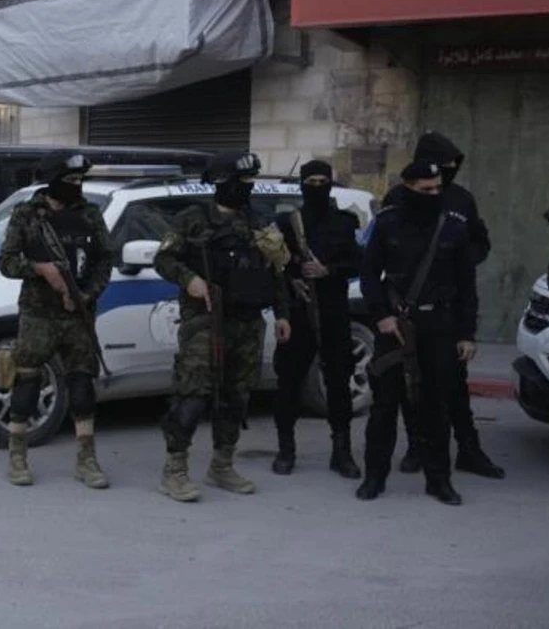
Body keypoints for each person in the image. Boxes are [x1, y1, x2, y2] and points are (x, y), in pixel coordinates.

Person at [153, 151, 292, 502]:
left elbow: (276, 271)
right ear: (222, 183)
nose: (247, 187)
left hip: (248, 323)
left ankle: (222, 465)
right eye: (242, 181)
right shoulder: (193, 220)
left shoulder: (259, 222)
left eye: (250, 181)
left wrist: (282, 314)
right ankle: (174, 470)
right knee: (193, 396)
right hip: (205, 322)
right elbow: (163, 258)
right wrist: (189, 279)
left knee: (237, 398)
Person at [381, 131, 502, 479]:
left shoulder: (461, 199)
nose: (446, 172)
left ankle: (468, 448)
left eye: (452, 166)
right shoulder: (397, 198)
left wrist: (458, 261)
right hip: (409, 306)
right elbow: (381, 250)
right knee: (411, 383)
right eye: (442, 165)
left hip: (448, 305)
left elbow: (479, 242)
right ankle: (417, 446)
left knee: (454, 383)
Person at [357, 161, 478, 505]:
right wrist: (381, 315)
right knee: (384, 407)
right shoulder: (388, 223)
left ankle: (438, 480)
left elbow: (467, 287)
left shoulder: (454, 227)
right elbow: (369, 274)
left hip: (439, 326)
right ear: (408, 187)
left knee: (436, 407)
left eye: (438, 188)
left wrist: (466, 334)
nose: (434, 194)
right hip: (395, 327)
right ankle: (374, 477)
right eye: (426, 189)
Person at [0, 152, 112, 489]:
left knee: (82, 386)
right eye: (71, 180)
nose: (77, 186)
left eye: (80, 180)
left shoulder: (90, 214)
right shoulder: (27, 214)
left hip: (78, 313)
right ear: (53, 181)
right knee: (27, 383)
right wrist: (39, 269)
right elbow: (6, 261)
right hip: (38, 313)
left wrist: (87, 295)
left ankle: (87, 459)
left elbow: (105, 260)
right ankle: (17, 456)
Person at [271, 160, 363, 479]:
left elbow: (356, 262)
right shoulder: (287, 223)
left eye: (323, 181)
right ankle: (286, 449)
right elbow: (274, 266)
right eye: (311, 182)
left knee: (338, 382)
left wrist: (329, 270)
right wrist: (293, 280)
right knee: (289, 382)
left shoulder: (344, 223)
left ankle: (342, 451)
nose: (317, 187)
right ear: (302, 185)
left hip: (334, 310)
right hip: (299, 312)